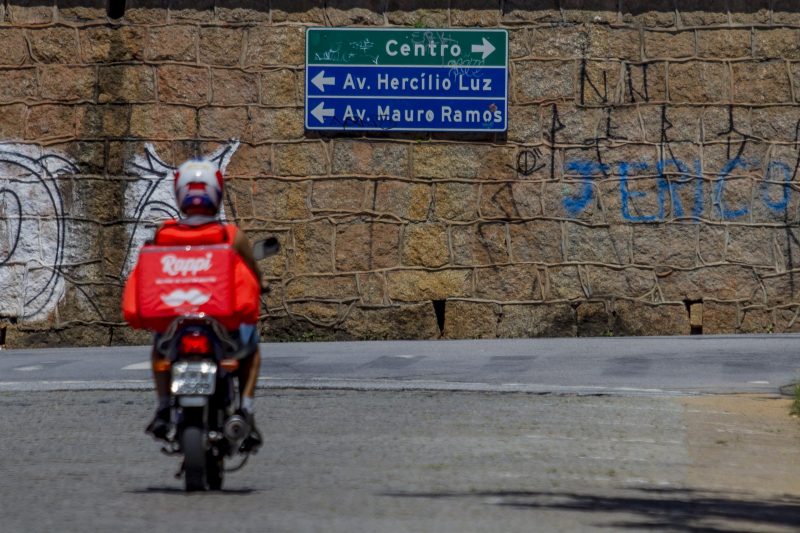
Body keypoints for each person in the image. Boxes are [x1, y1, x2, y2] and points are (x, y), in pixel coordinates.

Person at [144, 158, 263, 452]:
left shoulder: (162, 234)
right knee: (252, 352)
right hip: (221, 324)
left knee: (159, 349)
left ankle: (162, 406)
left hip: (177, 322)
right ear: (216, 194)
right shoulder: (230, 236)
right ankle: (245, 409)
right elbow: (253, 273)